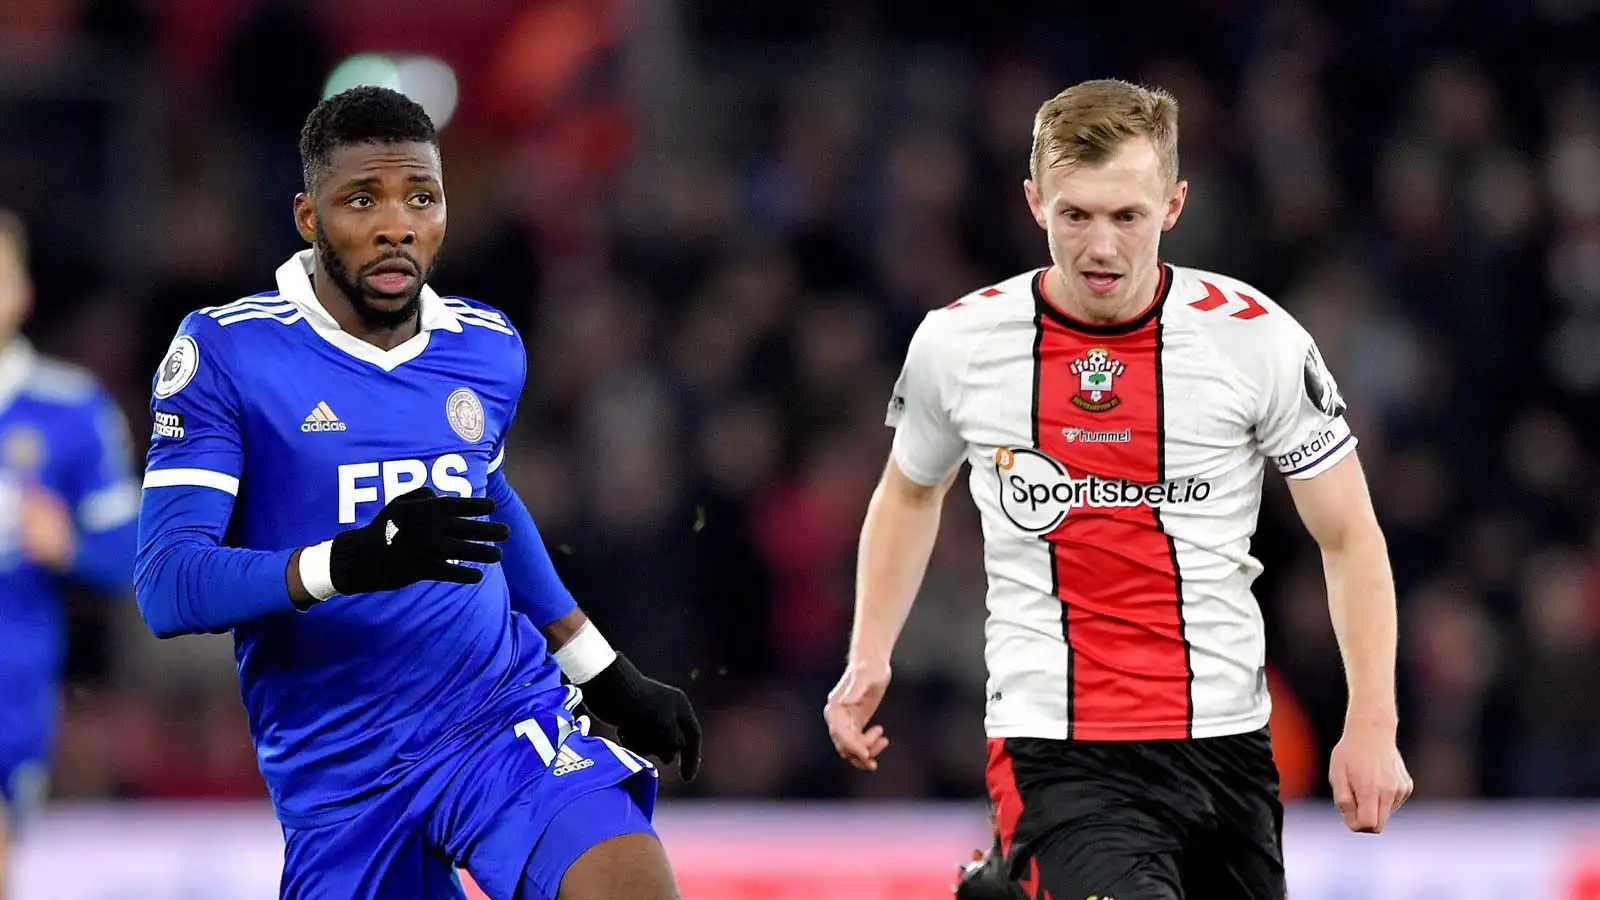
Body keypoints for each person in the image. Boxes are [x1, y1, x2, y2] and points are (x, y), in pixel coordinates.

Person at [824, 79, 1413, 899]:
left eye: (1126, 217)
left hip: (1228, 743)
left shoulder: (1258, 341)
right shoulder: (959, 344)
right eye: (1076, 215)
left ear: (1173, 205)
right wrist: (868, 656)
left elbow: (1349, 534)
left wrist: (1372, 722)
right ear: (1035, 203)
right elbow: (911, 491)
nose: (1101, 247)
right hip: (1056, 743)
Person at [134, 86, 699, 900]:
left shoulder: (487, 346)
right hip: (342, 774)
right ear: (308, 217)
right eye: (362, 199)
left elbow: (488, 503)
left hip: (496, 722)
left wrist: (600, 669)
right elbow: (168, 585)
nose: (396, 224)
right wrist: (349, 562)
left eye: (421, 198)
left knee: (630, 882)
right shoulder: (229, 352)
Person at [0, 210, 138, 898]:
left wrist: (69, 546)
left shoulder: (71, 410)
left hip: (10, 693)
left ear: (20, 290)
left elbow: (138, 555)